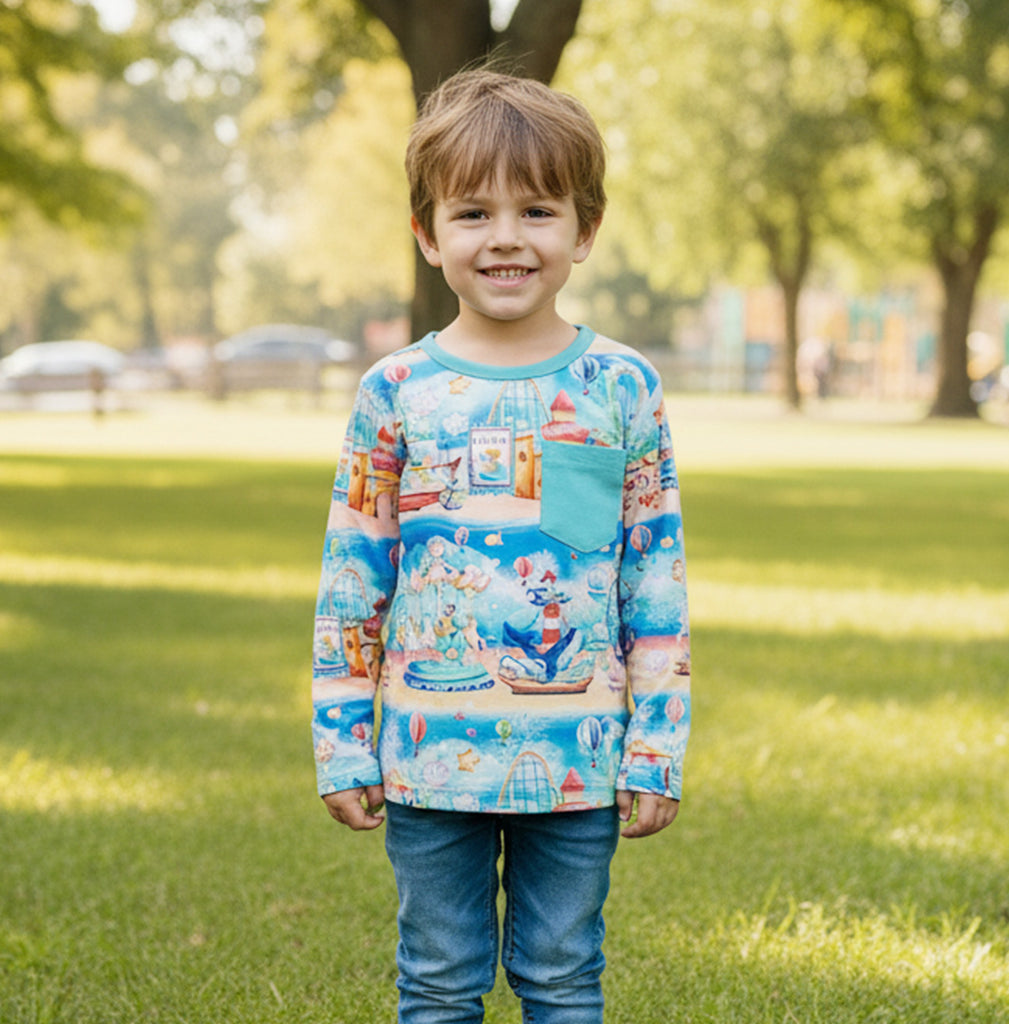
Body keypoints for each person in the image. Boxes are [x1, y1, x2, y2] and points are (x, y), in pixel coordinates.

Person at [311, 68, 691, 1024]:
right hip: (427, 755)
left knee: (564, 979)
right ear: (428, 234)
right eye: (473, 212)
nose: (508, 237)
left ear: (585, 230)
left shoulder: (621, 386)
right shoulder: (395, 391)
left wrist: (657, 745)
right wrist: (341, 742)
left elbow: (655, 577)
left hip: (581, 754)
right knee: (437, 984)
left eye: (539, 209)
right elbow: (354, 581)